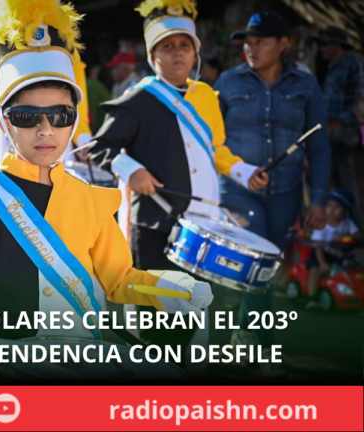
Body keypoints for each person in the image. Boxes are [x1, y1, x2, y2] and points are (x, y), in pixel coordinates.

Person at [0, 0, 214, 374]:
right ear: (3, 124)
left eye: (60, 116)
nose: (46, 130)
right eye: (27, 117)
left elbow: (120, 281)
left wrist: (174, 286)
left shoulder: (88, 198)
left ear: (74, 121)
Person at [89, 0, 265, 374]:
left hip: (201, 224)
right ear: (153, 56)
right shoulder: (138, 98)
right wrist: (130, 169)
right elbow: (98, 148)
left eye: (185, 45)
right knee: (159, 321)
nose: (177, 54)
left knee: (193, 316)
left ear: (196, 52)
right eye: (167, 47)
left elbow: (217, 150)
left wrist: (243, 171)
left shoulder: (205, 96)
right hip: (155, 226)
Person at [215, 11, 330, 375]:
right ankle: (248, 341)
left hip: (287, 192)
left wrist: (321, 199)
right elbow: (212, 142)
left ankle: (252, 343)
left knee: (269, 267)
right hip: (238, 192)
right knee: (258, 257)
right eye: (247, 41)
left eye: (260, 41)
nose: (251, 48)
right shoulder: (227, 83)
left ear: (284, 44)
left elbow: (321, 147)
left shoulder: (306, 86)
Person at [317, 26, 363, 228]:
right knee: (332, 179)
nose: (321, 49)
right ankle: (334, 229)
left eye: (325, 44)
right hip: (330, 131)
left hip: (344, 131)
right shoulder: (333, 66)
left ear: (337, 45)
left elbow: (361, 97)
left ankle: (355, 227)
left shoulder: (353, 62)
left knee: (345, 180)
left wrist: (341, 120)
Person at [305, 189, 362, 310]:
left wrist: (347, 237)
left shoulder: (347, 223)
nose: (331, 210)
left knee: (355, 271)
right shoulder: (321, 224)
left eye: (337, 207)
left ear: (345, 211)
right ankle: (312, 298)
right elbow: (317, 245)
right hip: (321, 254)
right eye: (329, 205)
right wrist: (322, 263)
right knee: (316, 270)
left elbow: (359, 236)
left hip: (341, 255)